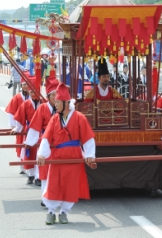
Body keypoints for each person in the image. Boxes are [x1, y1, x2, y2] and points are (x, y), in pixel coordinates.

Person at [37, 82, 96, 225]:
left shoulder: (79, 117)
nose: (55, 105)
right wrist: (42, 154)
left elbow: (88, 138)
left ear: (65, 103)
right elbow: (46, 138)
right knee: (54, 185)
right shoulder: (54, 119)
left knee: (70, 186)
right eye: (55, 102)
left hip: (74, 158)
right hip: (57, 158)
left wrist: (89, 155)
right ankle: (51, 212)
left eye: (58, 102)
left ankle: (64, 212)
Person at [24, 77, 59, 205]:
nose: (56, 97)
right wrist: (29, 142)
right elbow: (34, 126)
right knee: (44, 171)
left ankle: (56, 196)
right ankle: (45, 198)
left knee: (57, 171)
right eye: (53, 95)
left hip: (59, 144)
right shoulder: (43, 108)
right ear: (49, 96)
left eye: (57, 95)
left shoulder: (62, 108)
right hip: (45, 142)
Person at [13, 81, 42, 185]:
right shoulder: (26, 104)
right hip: (30, 131)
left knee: (40, 154)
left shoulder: (44, 103)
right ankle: (31, 175)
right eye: (32, 91)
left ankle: (39, 177)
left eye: (35, 91)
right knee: (29, 153)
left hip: (41, 132)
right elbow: (20, 118)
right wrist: (16, 129)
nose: (33, 94)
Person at [5, 78, 30, 172]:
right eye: (24, 84)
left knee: (32, 146)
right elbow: (11, 112)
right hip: (20, 125)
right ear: (21, 85)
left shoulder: (34, 97)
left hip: (32, 126)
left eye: (28, 84)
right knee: (20, 145)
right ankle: (21, 165)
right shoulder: (17, 97)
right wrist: (14, 126)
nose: (26, 86)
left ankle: (30, 166)